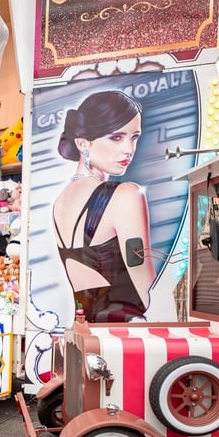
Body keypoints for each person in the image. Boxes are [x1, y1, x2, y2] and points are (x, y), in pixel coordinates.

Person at [52, 90, 156, 322]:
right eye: (116, 137)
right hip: (126, 333)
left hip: (88, 328)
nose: (128, 149)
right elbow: (149, 290)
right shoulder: (126, 194)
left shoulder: (61, 200)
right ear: (82, 143)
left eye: (134, 137)